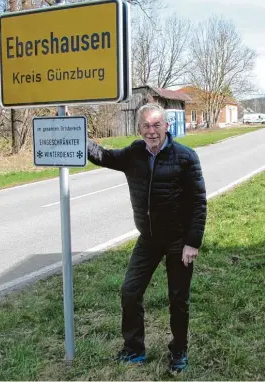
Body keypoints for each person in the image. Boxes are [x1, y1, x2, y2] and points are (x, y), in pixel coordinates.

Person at [87, 103, 207, 373]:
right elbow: (103, 156)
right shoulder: (134, 153)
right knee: (130, 291)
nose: (152, 131)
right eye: (146, 126)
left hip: (179, 240)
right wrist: (77, 135)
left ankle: (179, 352)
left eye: (156, 125)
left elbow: (198, 202)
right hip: (149, 239)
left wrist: (192, 242)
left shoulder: (186, 157)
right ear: (139, 128)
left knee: (178, 299)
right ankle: (134, 350)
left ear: (167, 126)